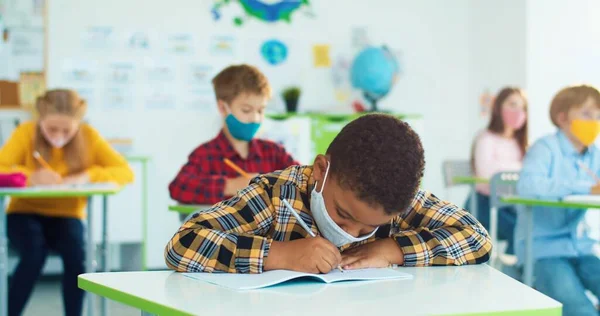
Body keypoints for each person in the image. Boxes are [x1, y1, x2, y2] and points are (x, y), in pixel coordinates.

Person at [165, 114, 491, 274]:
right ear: (321, 171)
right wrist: (279, 255)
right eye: (344, 215)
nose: (350, 234)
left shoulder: (396, 200)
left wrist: (392, 248)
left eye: (368, 229)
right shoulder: (277, 195)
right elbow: (184, 244)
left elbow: (476, 238)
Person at [0, 89, 134, 316]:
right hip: (24, 213)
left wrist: (88, 175)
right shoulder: (25, 133)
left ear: (78, 124)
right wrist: (30, 177)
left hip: (68, 214)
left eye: (67, 130)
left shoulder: (89, 136)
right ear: (40, 119)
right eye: (52, 129)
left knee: (77, 258)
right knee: (33, 254)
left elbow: (125, 172)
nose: (59, 136)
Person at [516, 84, 600, 316]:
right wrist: (586, 187)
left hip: (582, 248)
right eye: (586, 114)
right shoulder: (545, 149)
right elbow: (528, 186)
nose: (594, 121)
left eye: (598, 116)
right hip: (544, 251)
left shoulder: (595, 154)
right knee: (581, 309)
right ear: (562, 117)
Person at [169, 64, 298, 206]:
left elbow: (305, 182)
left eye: (261, 110)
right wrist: (229, 186)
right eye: (246, 110)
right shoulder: (205, 155)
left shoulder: (274, 152)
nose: (255, 118)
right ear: (223, 108)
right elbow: (178, 187)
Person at [465, 87, 527, 254]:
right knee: (518, 230)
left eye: (522, 107)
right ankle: (513, 273)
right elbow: (487, 174)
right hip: (483, 204)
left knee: (531, 228)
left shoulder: (520, 143)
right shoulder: (485, 138)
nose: (518, 111)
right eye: (512, 104)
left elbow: (530, 173)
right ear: (499, 107)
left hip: (511, 205)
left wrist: (506, 169)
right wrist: (520, 168)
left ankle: (520, 271)